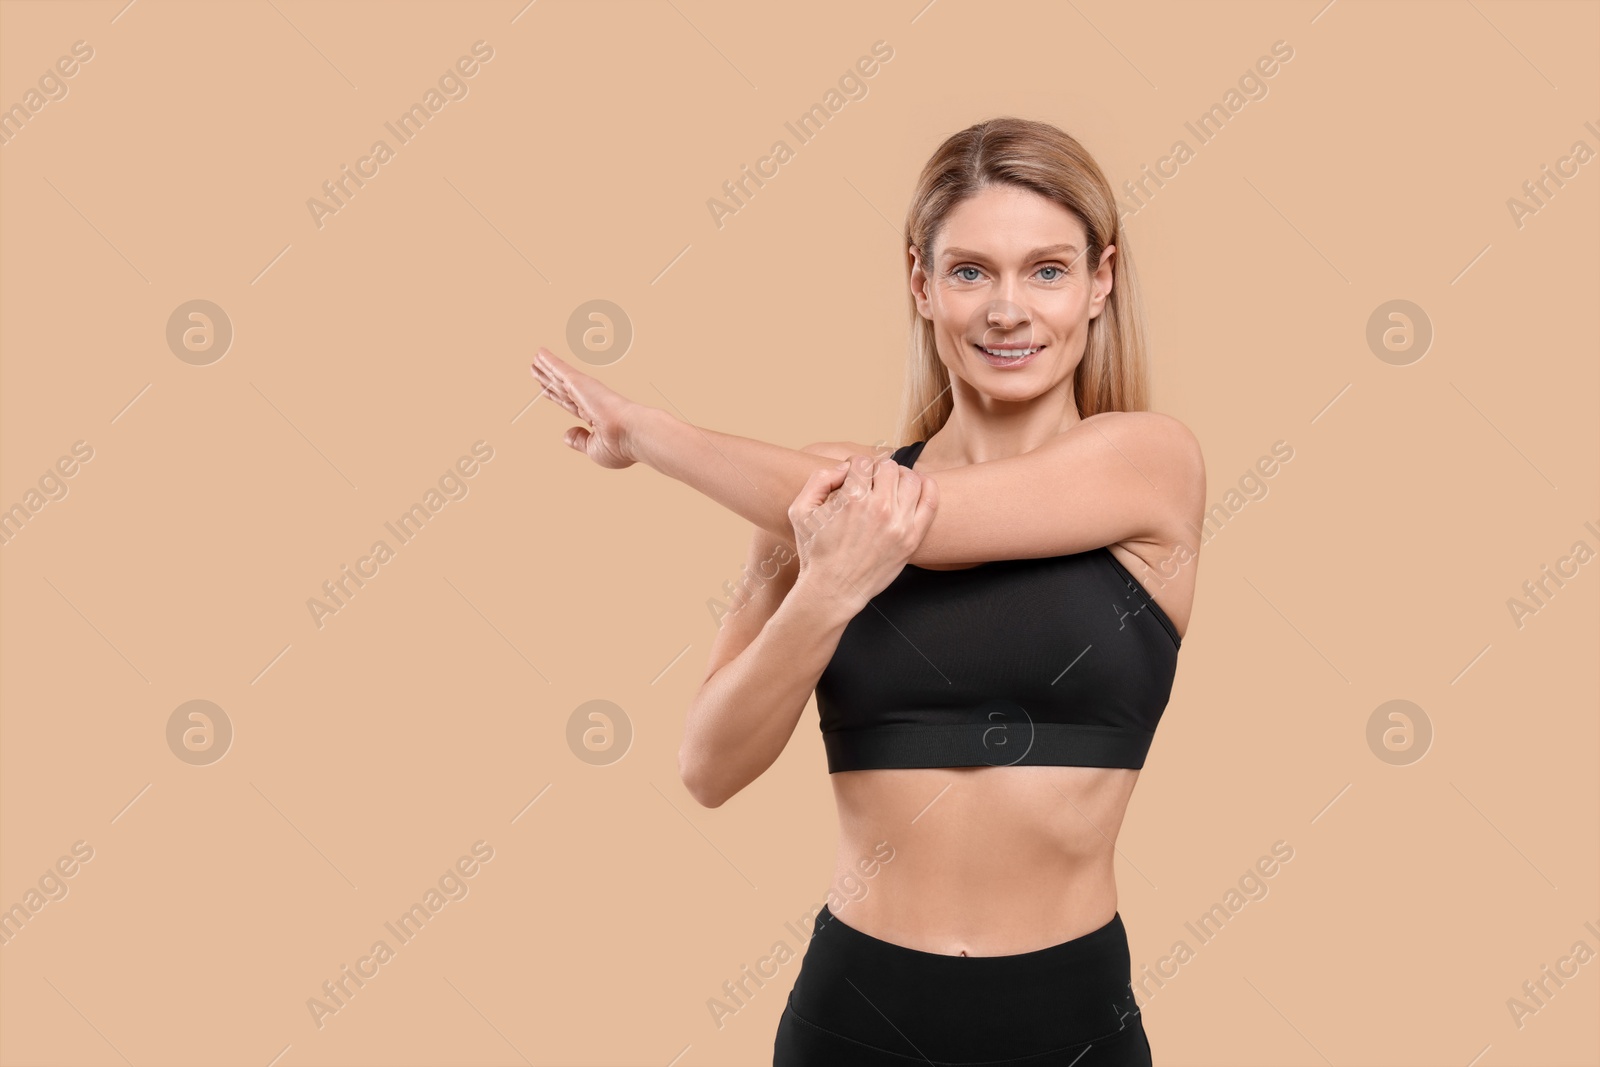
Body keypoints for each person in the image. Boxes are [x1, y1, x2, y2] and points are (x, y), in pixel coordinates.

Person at [529, 116, 1204, 1066]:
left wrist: (649, 434)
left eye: (1046, 270)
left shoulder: (1149, 464)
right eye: (971, 271)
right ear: (922, 284)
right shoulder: (809, 493)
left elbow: (922, 521)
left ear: (1101, 282)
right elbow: (708, 766)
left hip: (1072, 1021)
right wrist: (824, 592)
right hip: (857, 1011)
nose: (1008, 309)